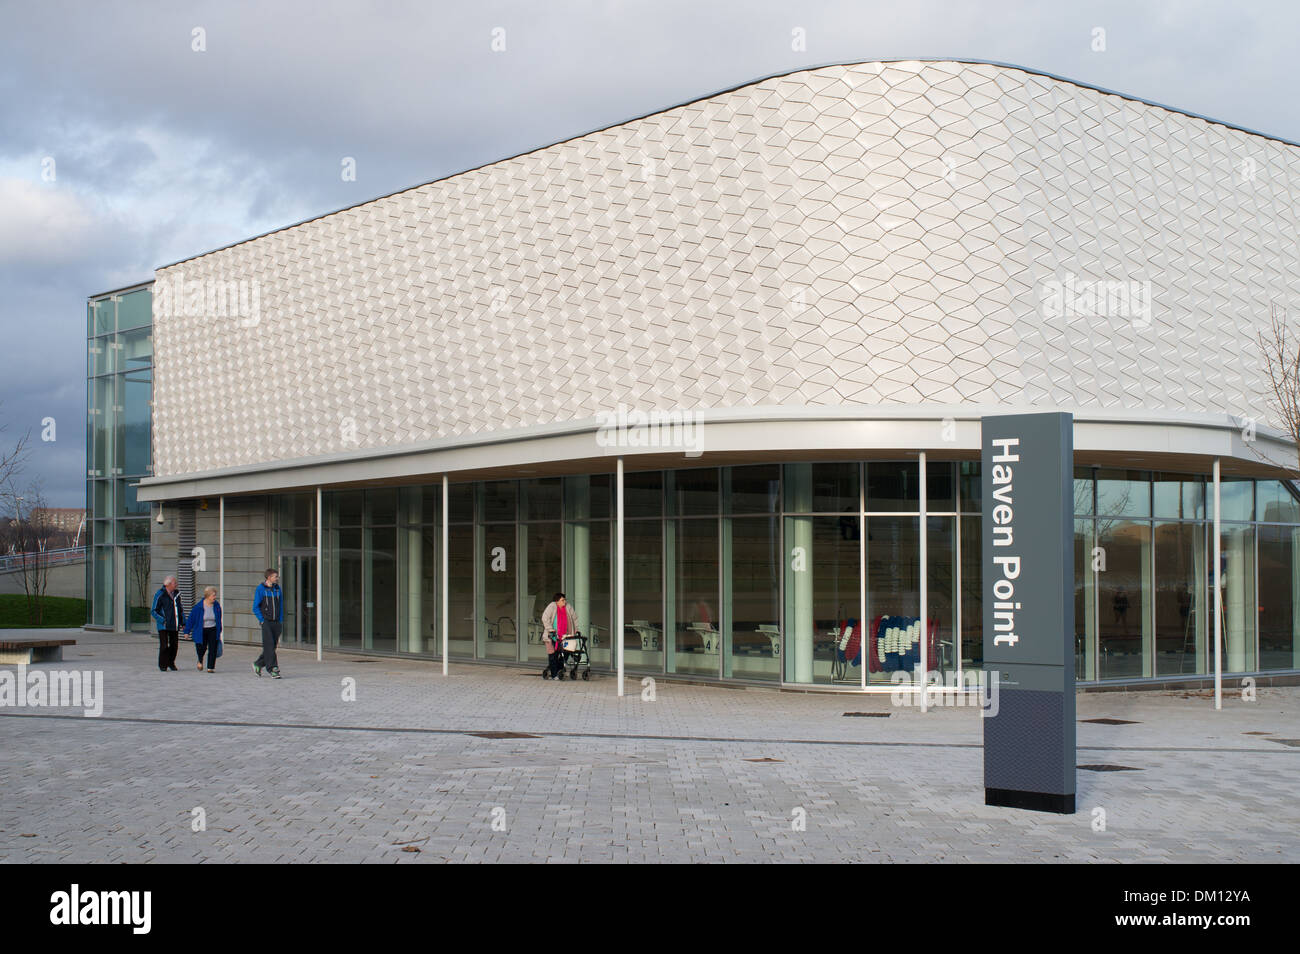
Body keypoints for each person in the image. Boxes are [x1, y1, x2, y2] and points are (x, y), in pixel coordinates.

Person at [183, 586, 223, 672]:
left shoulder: (216, 606)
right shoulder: (198, 607)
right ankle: (200, 660)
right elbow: (191, 619)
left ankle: (210, 667)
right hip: (201, 630)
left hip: (213, 629)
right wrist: (187, 631)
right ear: (207, 596)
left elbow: (219, 618)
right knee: (201, 648)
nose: (215, 597)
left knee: (213, 648)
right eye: (213, 595)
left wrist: (219, 629)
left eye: (215, 595)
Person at [252, 568, 284, 678]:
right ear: (269, 577)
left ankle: (258, 663)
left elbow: (280, 605)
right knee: (269, 645)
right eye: (275, 576)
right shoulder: (260, 589)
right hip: (266, 622)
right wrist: (262, 620)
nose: (277, 578)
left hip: (276, 622)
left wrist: (280, 621)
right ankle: (273, 669)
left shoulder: (277, 589)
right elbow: (255, 607)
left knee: (272, 646)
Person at [150, 576, 185, 672]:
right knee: (164, 645)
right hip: (164, 625)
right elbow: (154, 611)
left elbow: (180, 609)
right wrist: (163, 620)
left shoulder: (177, 595)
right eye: (174, 583)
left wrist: (183, 622)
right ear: (168, 584)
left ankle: (171, 662)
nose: (176, 584)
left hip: (174, 624)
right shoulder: (160, 594)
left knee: (174, 645)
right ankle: (162, 664)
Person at [540, 592, 577, 679]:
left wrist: (576, 629)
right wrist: (550, 629)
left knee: (566, 653)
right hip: (551, 635)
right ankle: (554, 674)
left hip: (565, 636)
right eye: (562, 600)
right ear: (557, 601)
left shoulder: (568, 606)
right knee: (553, 655)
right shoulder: (552, 606)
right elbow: (544, 618)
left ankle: (559, 670)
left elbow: (574, 618)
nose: (564, 602)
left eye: (564, 600)